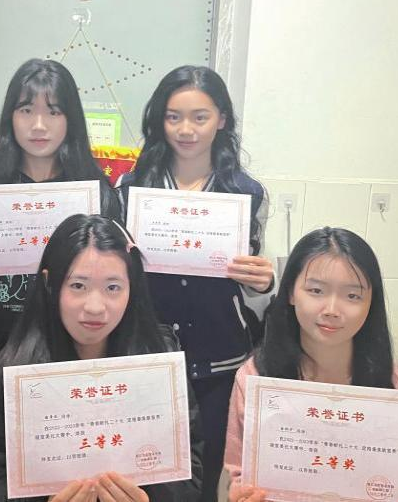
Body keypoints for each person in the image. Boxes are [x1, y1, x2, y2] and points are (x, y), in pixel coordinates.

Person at [116, 65, 274, 501]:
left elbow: (255, 292)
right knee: (145, 476)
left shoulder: (246, 192)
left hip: (218, 361)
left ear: (221, 119)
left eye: (199, 117)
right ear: (159, 120)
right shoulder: (131, 187)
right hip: (146, 355)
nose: (186, 130)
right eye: (173, 117)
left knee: (204, 483)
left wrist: (262, 283)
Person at [0, 214, 203, 501]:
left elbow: (189, 471)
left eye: (112, 288)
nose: (95, 307)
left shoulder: (159, 362)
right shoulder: (16, 371)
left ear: (132, 289)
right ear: (50, 283)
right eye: (78, 286)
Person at [0, 59, 121, 398]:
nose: (38, 125)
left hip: (70, 372)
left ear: (71, 119)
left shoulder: (99, 198)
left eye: (53, 112)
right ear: (10, 117)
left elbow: (118, 292)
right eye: (26, 110)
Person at [224, 227, 398, 502]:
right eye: (316, 290)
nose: (332, 310)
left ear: (371, 303)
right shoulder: (255, 377)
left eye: (352, 296)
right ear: (291, 293)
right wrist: (241, 495)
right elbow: (240, 475)